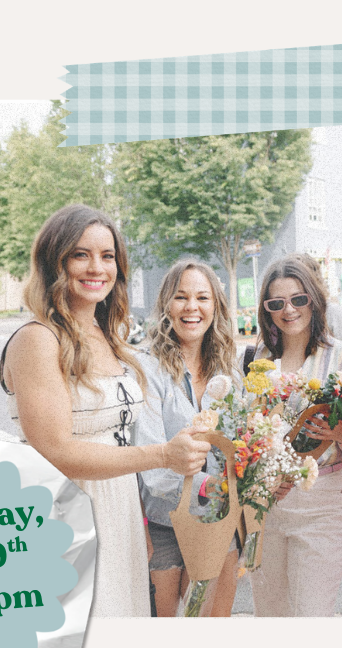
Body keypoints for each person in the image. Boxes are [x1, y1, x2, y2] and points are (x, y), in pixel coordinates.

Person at [0, 205, 209, 618]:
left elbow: (119, 439)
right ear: (54, 261)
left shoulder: (108, 335)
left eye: (107, 256)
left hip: (120, 516)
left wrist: (141, 523)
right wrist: (163, 455)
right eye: (81, 254)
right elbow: (55, 450)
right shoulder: (37, 339)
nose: (97, 267)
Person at [249, 255, 342, 617]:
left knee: (311, 617)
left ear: (313, 300)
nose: (289, 310)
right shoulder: (257, 358)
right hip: (266, 502)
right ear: (266, 309)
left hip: (322, 502)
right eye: (276, 303)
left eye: (298, 299)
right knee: (270, 615)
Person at [134, 259, 241, 617]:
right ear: (166, 304)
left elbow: (241, 443)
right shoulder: (145, 368)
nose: (192, 307)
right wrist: (218, 487)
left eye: (202, 298)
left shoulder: (228, 368)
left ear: (216, 306)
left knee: (213, 626)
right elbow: (153, 469)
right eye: (181, 297)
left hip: (219, 522)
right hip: (164, 525)